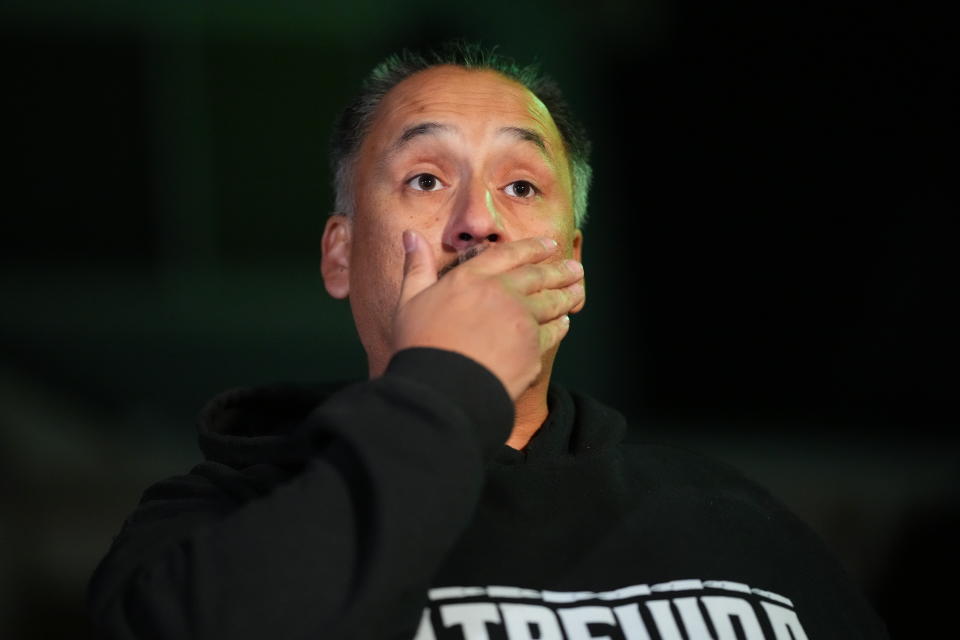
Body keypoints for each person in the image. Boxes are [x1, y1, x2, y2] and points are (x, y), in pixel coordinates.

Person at [87, 42, 888, 639]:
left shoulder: (737, 524)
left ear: (572, 262)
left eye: (521, 186)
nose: (478, 220)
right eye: (427, 179)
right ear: (339, 253)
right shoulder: (223, 515)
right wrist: (448, 382)